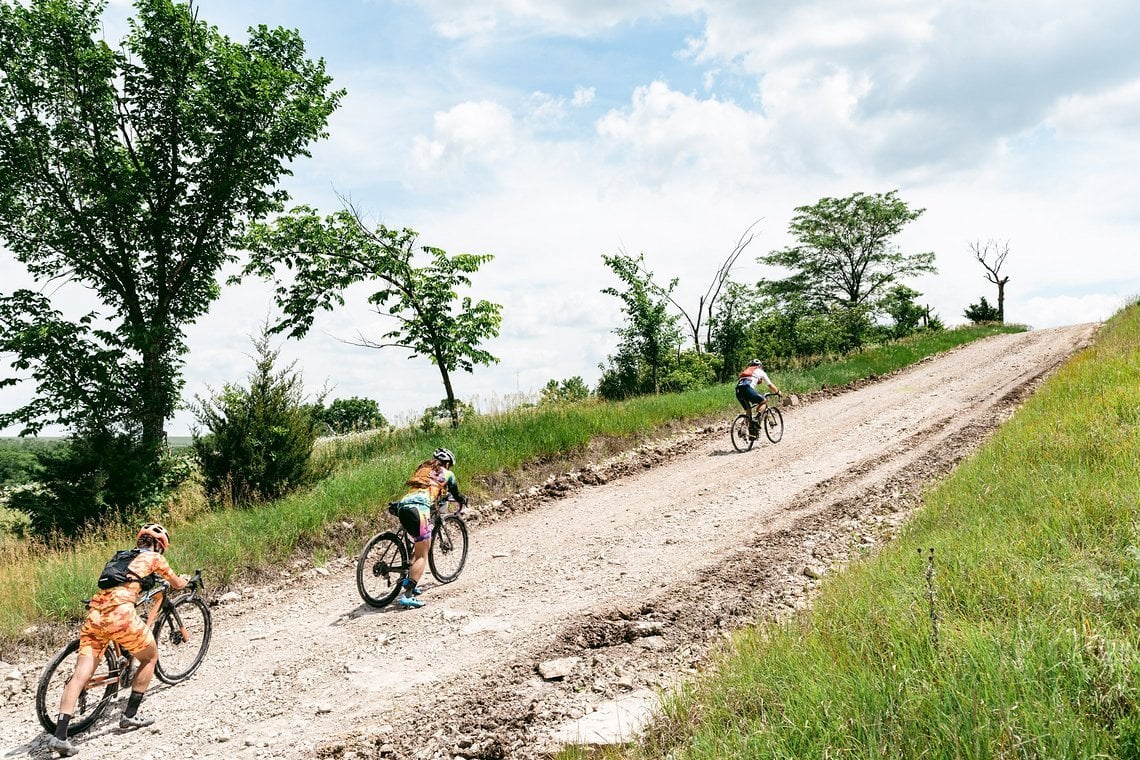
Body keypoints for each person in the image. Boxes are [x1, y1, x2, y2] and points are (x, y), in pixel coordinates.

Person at [46, 524, 188, 758]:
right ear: (160, 546)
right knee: (150, 657)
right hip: (120, 615)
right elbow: (176, 583)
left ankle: (60, 736)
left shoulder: (121, 557)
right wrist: (184, 580)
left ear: (139, 541)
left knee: (80, 675)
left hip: (95, 614)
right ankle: (130, 716)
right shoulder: (154, 558)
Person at [393, 447, 468, 609]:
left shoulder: (423, 468)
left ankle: (409, 578)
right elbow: (455, 494)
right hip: (419, 509)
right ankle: (408, 595)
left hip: (403, 505)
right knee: (422, 554)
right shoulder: (447, 474)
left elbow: (426, 489)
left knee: (418, 543)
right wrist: (462, 500)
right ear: (447, 464)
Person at [736, 359, 780, 438]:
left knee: (748, 410)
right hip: (747, 389)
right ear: (760, 366)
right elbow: (770, 385)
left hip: (738, 391)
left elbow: (751, 382)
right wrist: (778, 392)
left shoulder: (746, 371)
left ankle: (744, 429)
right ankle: (756, 418)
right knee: (763, 401)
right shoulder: (760, 371)